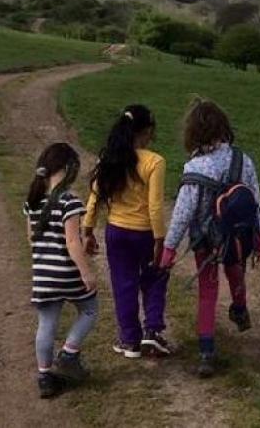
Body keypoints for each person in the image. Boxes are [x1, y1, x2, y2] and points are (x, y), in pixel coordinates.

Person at [160, 98, 260, 378]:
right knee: (236, 272)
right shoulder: (244, 160)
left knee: (207, 292)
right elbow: (254, 199)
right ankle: (240, 307)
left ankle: (207, 351)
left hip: (205, 240)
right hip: (237, 235)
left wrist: (170, 248)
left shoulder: (195, 167)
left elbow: (183, 212)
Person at [83, 104, 171, 358]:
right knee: (155, 277)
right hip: (144, 233)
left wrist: (88, 231)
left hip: (116, 232)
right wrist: (159, 238)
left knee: (124, 284)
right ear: (147, 131)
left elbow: (95, 196)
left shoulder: (109, 158)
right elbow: (155, 206)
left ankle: (129, 340)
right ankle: (152, 331)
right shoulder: (155, 161)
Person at [24, 142, 98, 399]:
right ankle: (69, 353)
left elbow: (31, 240)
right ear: (67, 169)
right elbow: (72, 242)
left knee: (46, 324)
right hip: (67, 273)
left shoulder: (32, 201)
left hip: (43, 276)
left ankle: (45, 377)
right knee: (89, 308)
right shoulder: (69, 200)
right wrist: (86, 272)